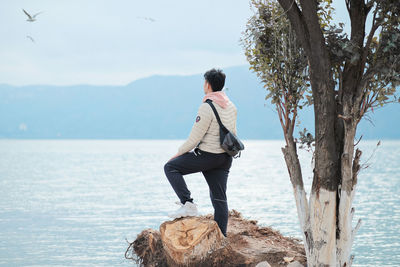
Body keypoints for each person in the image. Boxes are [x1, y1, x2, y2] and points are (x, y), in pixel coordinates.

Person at [163, 68, 237, 237]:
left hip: (208, 156)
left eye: (205, 82)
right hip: (225, 157)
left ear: (208, 85)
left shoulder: (207, 107)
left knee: (170, 167)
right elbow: (233, 132)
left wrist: (179, 153)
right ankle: (221, 238)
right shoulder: (231, 106)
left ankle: (188, 203)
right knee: (220, 199)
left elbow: (194, 139)